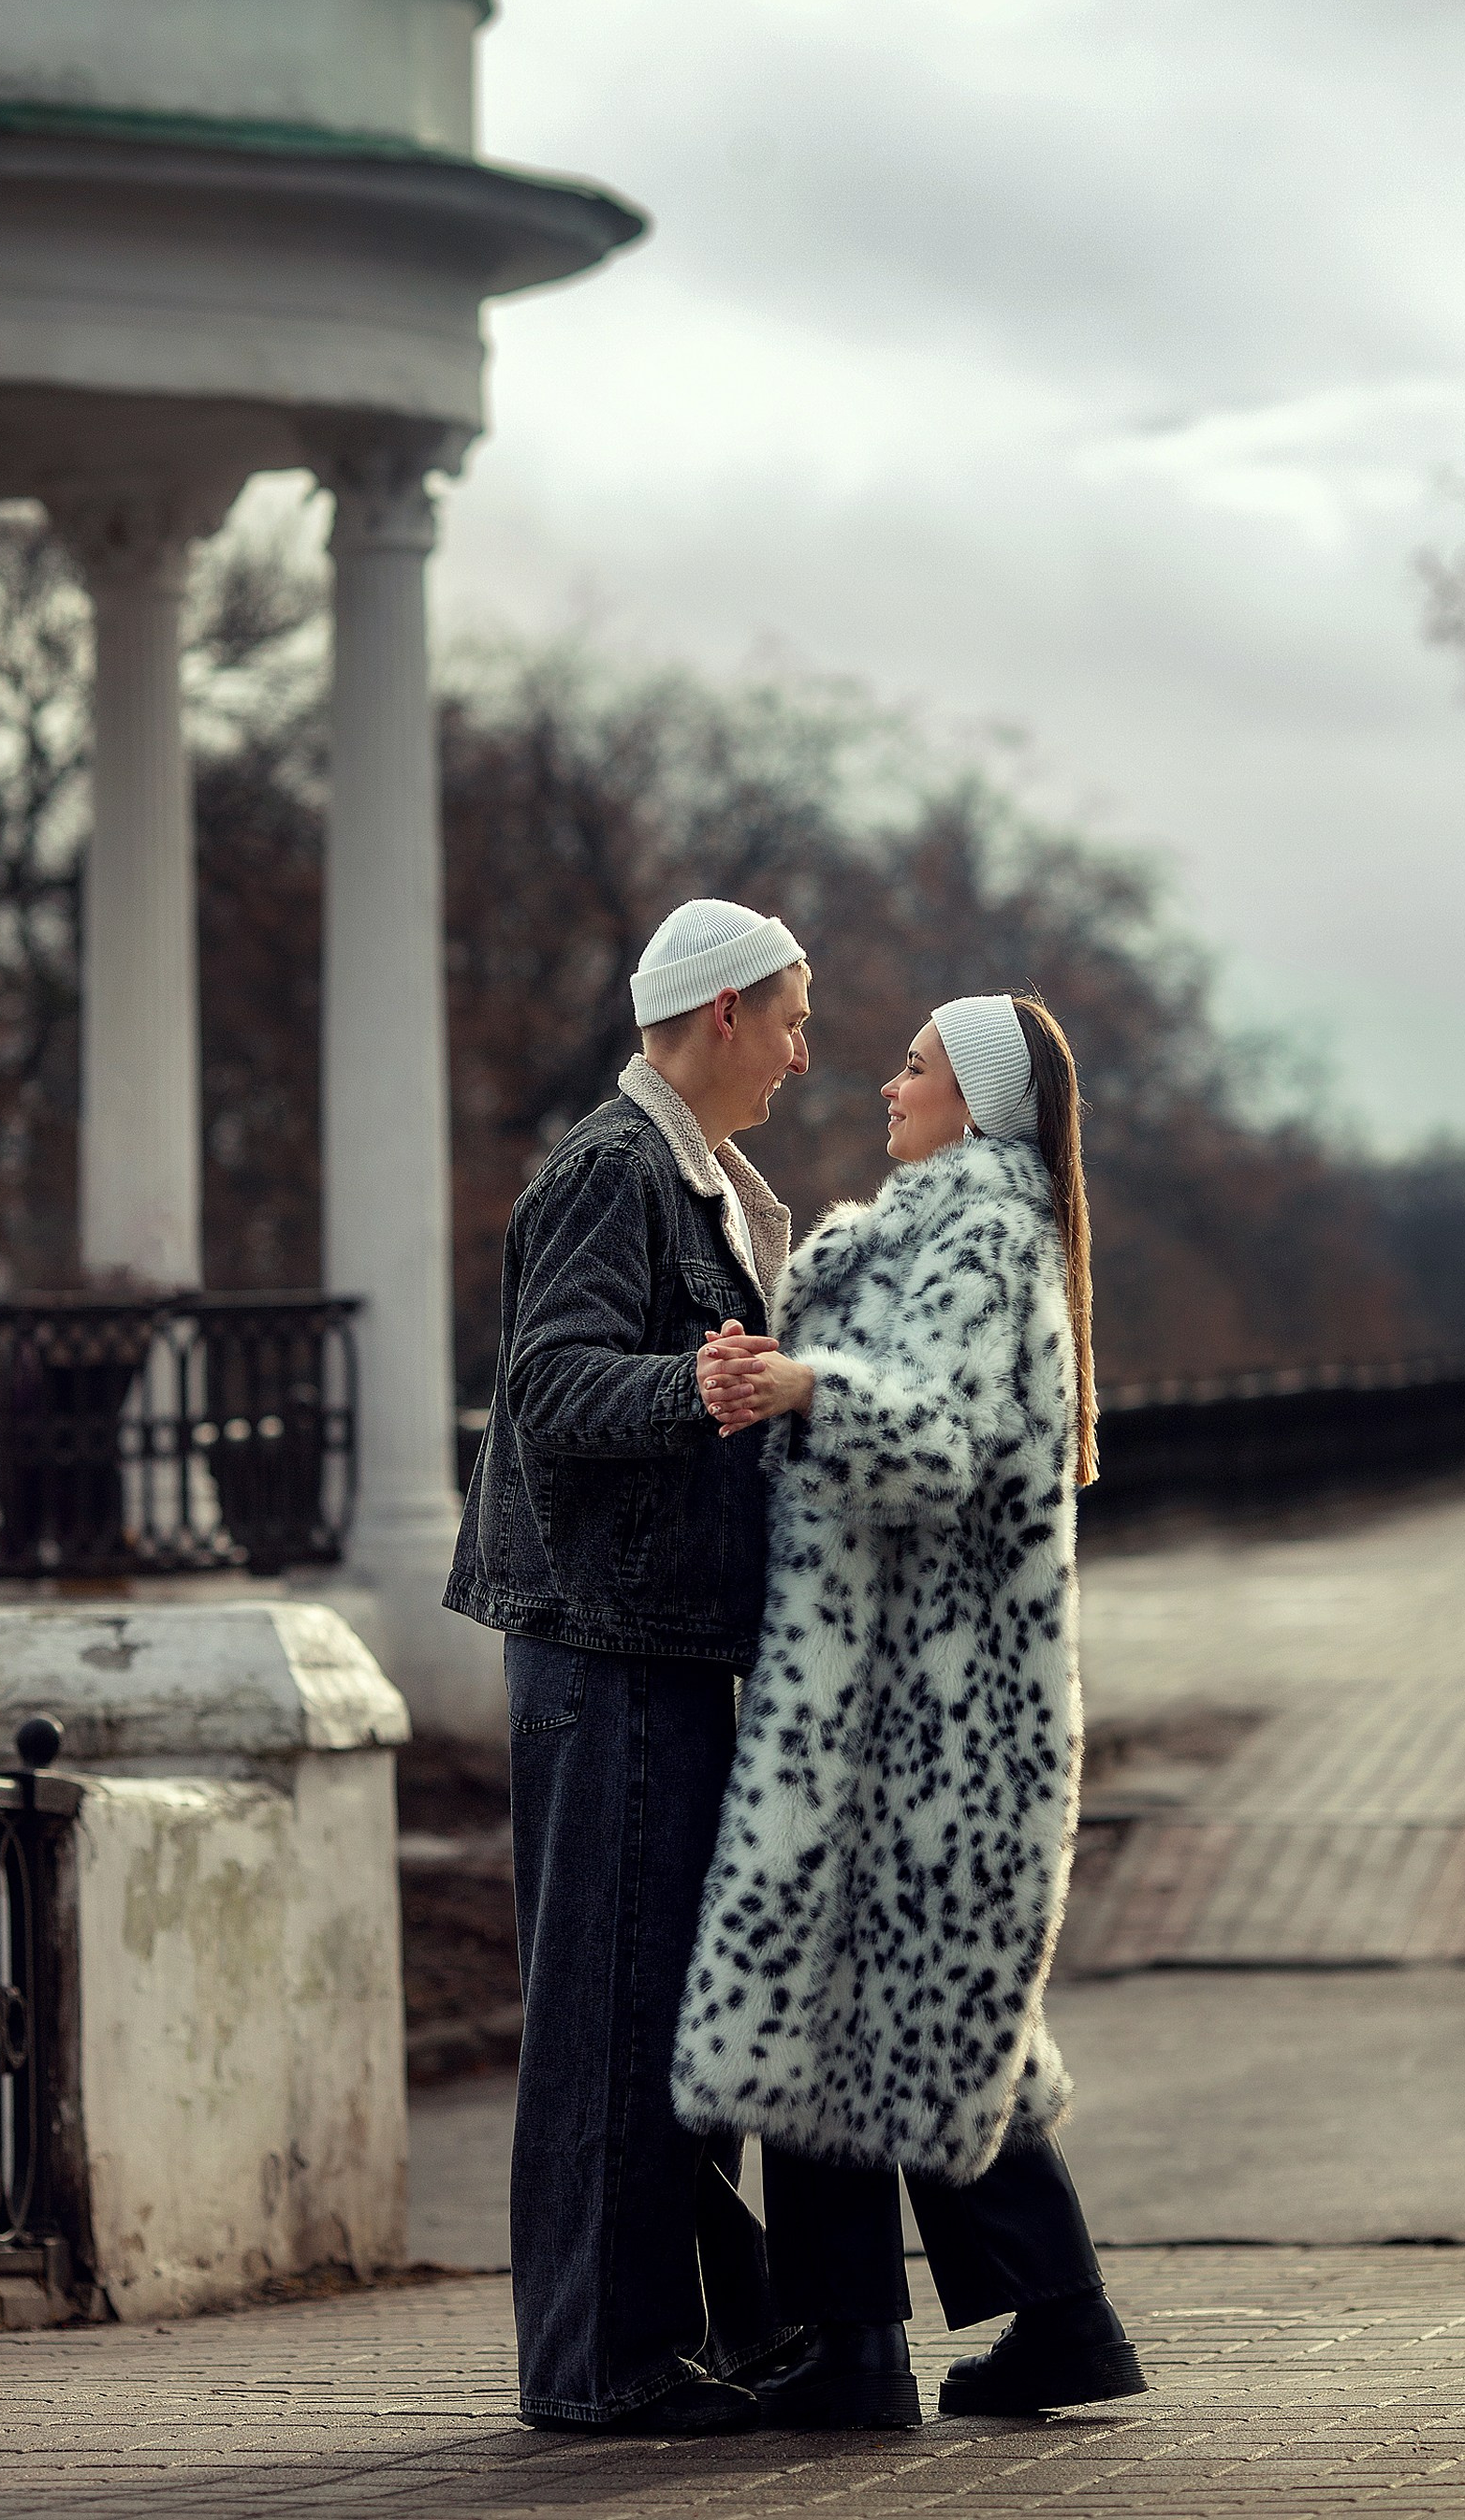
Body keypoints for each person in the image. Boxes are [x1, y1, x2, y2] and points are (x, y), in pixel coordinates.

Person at [679, 991, 1148, 2430]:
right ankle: (1036, 2329)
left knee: (891, 2002)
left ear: (980, 1103)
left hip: (936, 1711)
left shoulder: (985, 1235)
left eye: (916, 1067)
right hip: (894, 1697)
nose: (888, 1085)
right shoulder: (939, 1231)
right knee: (920, 2008)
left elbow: (939, 1441)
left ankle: (862, 2346)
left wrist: (807, 1380)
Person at [443, 897, 813, 2434]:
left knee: (662, 2013)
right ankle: (604, 2369)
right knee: (610, 2016)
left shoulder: (704, 1178)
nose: (805, 1051)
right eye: (790, 1017)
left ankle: (664, 2341)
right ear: (721, 1013)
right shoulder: (614, 1169)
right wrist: (696, 1384)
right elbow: (549, 1389)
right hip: (607, 1649)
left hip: (654, 1642)